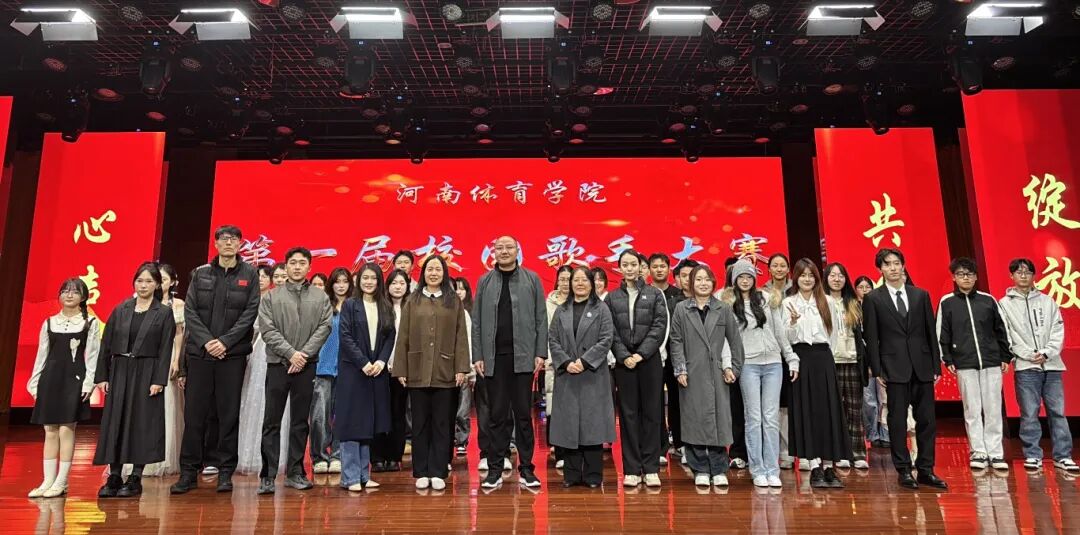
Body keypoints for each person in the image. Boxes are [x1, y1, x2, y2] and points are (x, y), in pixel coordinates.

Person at [173, 225, 261, 494]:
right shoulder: (201, 274)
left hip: (231, 355)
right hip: (200, 354)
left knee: (228, 415)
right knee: (194, 415)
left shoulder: (249, 274)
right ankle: (188, 472)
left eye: (233, 239)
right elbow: (190, 311)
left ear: (240, 243)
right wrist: (208, 342)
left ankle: (225, 472)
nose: (228, 243)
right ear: (216, 243)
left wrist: (225, 342)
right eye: (224, 239)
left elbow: (249, 313)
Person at [863, 248, 948, 490]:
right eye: (887, 264)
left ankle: (926, 469)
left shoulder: (920, 295)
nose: (893, 268)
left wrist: (936, 365)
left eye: (896, 263)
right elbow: (872, 337)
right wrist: (877, 370)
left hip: (922, 366)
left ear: (903, 265)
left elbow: (930, 332)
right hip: (893, 367)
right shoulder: (874, 298)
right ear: (880, 269)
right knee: (897, 421)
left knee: (927, 420)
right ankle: (903, 470)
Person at [94, 262, 177, 498]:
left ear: (157, 285)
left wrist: (159, 380)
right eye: (140, 281)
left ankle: (135, 477)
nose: (143, 285)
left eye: (149, 281)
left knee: (142, 422)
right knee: (116, 421)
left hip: (147, 371)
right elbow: (106, 344)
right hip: (120, 370)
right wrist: (102, 375)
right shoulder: (121, 309)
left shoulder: (163, 313)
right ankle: (114, 474)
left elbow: (165, 349)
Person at [473, 235, 548, 489]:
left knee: (523, 415)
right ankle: (495, 469)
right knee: (496, 415)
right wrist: (478, 355)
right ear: (493, 252)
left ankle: (527, 469)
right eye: (499, 248)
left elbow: (541, 319)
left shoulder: (532, 279)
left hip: (524, 358)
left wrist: (540, 352)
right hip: (494, 359)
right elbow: (476, 322)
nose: (504, 251)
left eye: (509, 247)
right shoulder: (484, 281)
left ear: (517, 251)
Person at [257, 247, 333, 494]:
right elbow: (268, 330)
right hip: (278, 365)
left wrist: (303, 355)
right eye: (293, 263)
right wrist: (291, 354)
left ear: (309, 267)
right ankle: (268, 475)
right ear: (285, 266)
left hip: (306, 366)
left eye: (302, 263)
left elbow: (324, 327)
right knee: (272, 421)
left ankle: (295, 472)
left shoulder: (320, 297)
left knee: (300, 421)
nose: (297, 267)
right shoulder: (271, 297)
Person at [393, 255, 471, 491]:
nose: (434, 273)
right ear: (423, 273)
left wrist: (461, 367)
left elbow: (460, 335)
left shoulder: (453, 301)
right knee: (419, 423)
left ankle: (438, 470)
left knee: (442, 422)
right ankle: (421, 470)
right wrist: (401, 368)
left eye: (438, 269)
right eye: (430, 269)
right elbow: (403, 336)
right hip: (417, 370)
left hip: (445, 370)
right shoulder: (413, 300)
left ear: (444, 273)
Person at [998, 258, 1079, 472]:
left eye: (1028, 272)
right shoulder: (1004, 304)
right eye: (1019, 272)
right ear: (1011, 276)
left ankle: (1063, 456)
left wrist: (1046, 352)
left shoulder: (1048, 301)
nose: (1023, 275)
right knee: (1029, 413)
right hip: (1026, 368)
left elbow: (1058, 330)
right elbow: (1007, 334)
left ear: (1034, 276)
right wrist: (1028, 354)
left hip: (1052, 366)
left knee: (1057, 412)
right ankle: (1033, 455)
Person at [724, 260, 798, 488]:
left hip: (773, 363)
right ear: (734, 279)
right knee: (753, 418)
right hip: (748, 365)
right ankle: (757, 469)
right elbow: (726, 338)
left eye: (749, 276)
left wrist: (791, 358)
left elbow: (779, 331)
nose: (745, 280)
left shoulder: (767, 299)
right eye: (741, 277)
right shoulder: (728, 304)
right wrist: (728, 364)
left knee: (771, 417)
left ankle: (772, 469)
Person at [670, 264, 745, 487]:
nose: (703, 283)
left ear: (713, 282)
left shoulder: (723, 308)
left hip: (717, 373)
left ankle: (719, 467)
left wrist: (734, 368)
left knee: (718, 420)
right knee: (694, 420)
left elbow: (735, 341)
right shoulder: (682, 309)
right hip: (691, 372)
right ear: (691, 283)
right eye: (698, 279)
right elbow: (676, 340)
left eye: (707, 279)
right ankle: (700, 468)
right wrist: (680, 369)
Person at [26, 278, 99, 498]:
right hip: (50, 378)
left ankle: (62, 481)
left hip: (73, 379)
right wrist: (34, 382)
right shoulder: (49, 323)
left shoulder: (89, 322)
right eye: (65, 291)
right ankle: (47, 480)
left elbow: (93, 356)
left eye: (75, 292)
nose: (69, 295)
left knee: (67, 429)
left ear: (83, 297)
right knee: (50, 430)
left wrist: (89, 383)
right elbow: (42, 355)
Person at [937, 257, 1012, 472]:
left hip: (991, 361)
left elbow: (1002, 329)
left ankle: (995, 452)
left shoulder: (988, 300)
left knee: (993, 408)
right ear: (954, 277)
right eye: (961, 274)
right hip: (964, 363)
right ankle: (978, 451)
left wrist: (1005, 356)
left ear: (976, 277)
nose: (966, 278)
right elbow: (942, 332)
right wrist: (947, 359)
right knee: (972, 409)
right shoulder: (947, 302)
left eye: (969, 274)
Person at [782, 258, 851, 489]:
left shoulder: (827, 301)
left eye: (811, 275)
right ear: (796, 278)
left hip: (823, 358)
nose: (807, 279)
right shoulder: (788, 303)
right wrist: (793, 324)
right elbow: (786, 338)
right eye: (803, 275)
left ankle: (830, 466)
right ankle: (814, 466)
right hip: (800, 358)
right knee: (806, 411)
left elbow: (833, 335)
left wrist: (827, 357)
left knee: (827, 410)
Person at [548, 266, 616, 487]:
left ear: (592, 284)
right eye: (575, 280)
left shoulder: (601, 309)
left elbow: (606, 339)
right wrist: (566, 362)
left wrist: (584, 361)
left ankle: (593, 475)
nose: (579, 284)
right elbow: (553, 339)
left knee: (592, 425)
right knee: (569, 425)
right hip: (567, 374)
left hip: (592, 374)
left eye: (584, 280)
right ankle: (572, 475)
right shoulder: (561, 310)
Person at [606, 249, 668, 488]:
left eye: (634, 264)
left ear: (641, 267)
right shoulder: (612, 298)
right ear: (620, 268)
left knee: (652, 413)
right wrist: (624, 356)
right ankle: (631, 469)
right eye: (625, 264)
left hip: (649, 360)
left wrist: (641, 354)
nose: (630, 268)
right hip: (625, 363)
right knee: (628, 414)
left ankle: (651, 468)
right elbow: (610, 330)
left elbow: (659, 326)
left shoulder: (654, 294)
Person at [337, 263, 395, 491]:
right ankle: (350, 477)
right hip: (354, 371)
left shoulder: (385, 306)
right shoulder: (350, 305)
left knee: (368, 423)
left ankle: (363, 474)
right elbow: (345, 336)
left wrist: (381, 361)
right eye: (365, 278)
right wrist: (363, 362)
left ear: (379, 281)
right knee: (352, 423)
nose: (369, 282)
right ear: (358, 280)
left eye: (373, 278)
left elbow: (390, 336)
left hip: (376, 371)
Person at [236, 265, 290, 476]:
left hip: (289, 351)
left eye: (284, 276)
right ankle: (251, 455)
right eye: (277, 276)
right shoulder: (263, 299)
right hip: (262, 351)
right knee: (256, 400)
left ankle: (279, 458)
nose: (280, 279)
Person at [823, 262, 869, 470]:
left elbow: (864, 336)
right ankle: (839, 453)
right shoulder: (820, 302)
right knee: (835, 410)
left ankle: (857, 452)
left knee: (855, 409)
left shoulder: (854, 304)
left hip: (852, 362)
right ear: (826, 278)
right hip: (830, 362)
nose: (837, 279)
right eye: (832, 275)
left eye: (840, 275)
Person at [311, 267, 352, 475]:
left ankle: (337, 455)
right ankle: (319, 456)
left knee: (342, 415)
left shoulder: (355, 307)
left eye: (345, 281)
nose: (341, 285)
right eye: (337, 281)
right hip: (323, 367)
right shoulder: (322, 305)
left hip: (347, 369)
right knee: (319, 415)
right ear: (331, 284)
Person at [372, 269, 410, 473]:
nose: (398, 287)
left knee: (398, 413)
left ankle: (395, 456)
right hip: (379, 368)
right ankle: (377, 457)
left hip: (402, 370)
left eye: (402, 283)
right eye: (394, 283)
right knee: (378, 412)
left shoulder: (412, 307)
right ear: (387, 286)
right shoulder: (379, 307)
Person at [763, 253, 797, 470]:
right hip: (773, 353)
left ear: (788, 269)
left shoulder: (797, 290)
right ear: (769, 269)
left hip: (796, 350)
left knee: (797, 403)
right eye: (774, 265)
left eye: (782, 265)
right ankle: (784, 451)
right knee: (779, 404)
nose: (778, 269)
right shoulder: (762, 293)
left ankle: (803, 451)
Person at [666, 258, 699, 464]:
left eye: (692, 275)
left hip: (702, 361)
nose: (688, 280)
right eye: (684, 276)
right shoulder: (672, 303)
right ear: (677, 278)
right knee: (678, 403)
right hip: (677, 360)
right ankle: (681, 443)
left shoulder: (709, 301)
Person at [855, 275, 890, 449]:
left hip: (883, 361)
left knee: (885, 400)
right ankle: (872, 435)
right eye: (860, 287)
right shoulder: (853, 310)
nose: (864, 290)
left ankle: (886, 434)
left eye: (867, 287)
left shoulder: (880, 307)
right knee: (869, 402)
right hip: (864, 362)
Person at [544, 266, 573, 468]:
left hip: (577, 363)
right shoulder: (549, 303)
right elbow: (545, 332)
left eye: (568, 279)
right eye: (562, 279)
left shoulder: (581, 301)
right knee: (555, 405)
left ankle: (574, 450)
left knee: (574, 408)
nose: (565, 283)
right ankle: (559, 450)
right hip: (554, 362)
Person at [453, 277, 477, 457]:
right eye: (455, 288)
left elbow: (469, 341)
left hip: (464, 366)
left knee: (463, 407)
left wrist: (469, 368)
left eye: (462, 289)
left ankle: (461, 440)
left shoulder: (469, 313)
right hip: (445, 367)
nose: (458, 292)